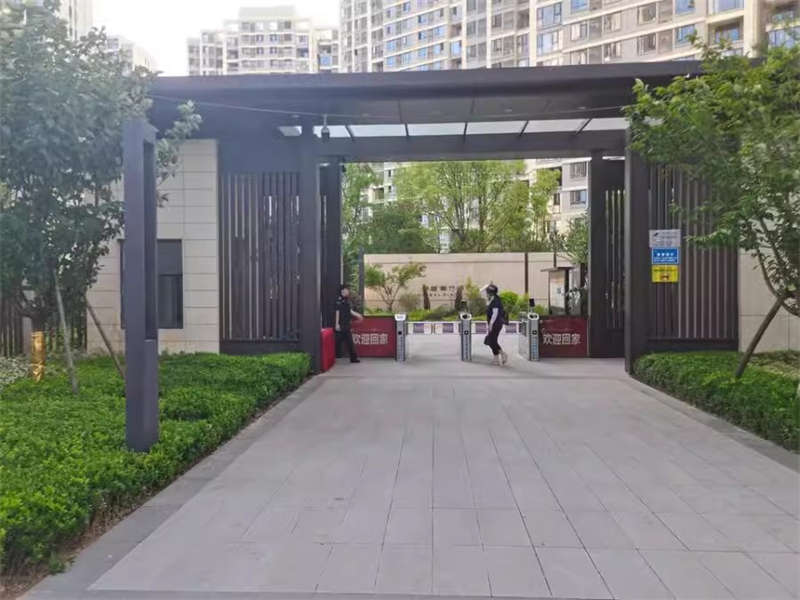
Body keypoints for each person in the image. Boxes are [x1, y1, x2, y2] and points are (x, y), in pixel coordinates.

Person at [335, 284, 364, 363]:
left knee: (348, 342)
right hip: (341, 324)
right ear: (342, 291)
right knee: (341, 341)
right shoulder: (339, 301)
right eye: (346, 290)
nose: (348, 291)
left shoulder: (347, 300)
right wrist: (337, 324)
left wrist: (358, 315)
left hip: (346, 324)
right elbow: (337, 312)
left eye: (348, 290)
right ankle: (350, 357)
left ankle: (353, 358)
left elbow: (350, 311)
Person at [484, 284, 508, 366]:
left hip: (496, 324)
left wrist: (491, 324)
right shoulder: (493, 299)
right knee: (492, 341)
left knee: (492, 341)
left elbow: (495, 313)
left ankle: (502, 355)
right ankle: (497, 358)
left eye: (487, 292)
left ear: (491, 292)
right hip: (495, 323)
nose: (486, 294)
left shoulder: (496, 300)